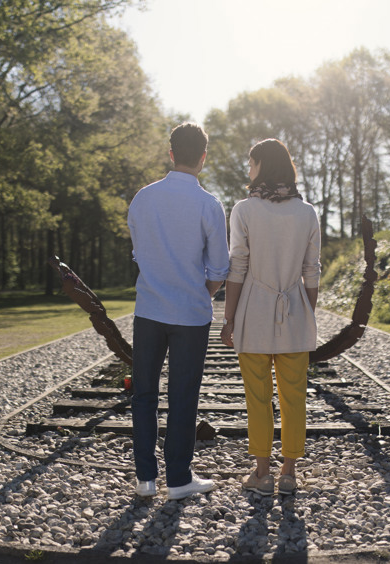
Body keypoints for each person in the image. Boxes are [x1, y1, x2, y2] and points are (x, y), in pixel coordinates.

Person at [127, 122, 230, 500]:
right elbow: (220, 268)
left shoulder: (143, 198)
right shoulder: (209, 204)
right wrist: (197, 293)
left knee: (144, 394)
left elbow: (139, 252)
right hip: (190, 315)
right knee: (183, 396)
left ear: (170, 153)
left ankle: (145, 479)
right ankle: (179, 480)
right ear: (203, 157)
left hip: (149, 309)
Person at [220, 138, 321, 496]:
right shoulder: (307, 212)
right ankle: (289, 472)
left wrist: (229, 319)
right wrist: (308, 312)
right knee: (295, 397)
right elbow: (312, 271)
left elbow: (237, 270)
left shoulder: (244, 210)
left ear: (262, 164)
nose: (249, 171)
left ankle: (261, 473)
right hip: (295, 311)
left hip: (253, 313)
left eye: (251, 164)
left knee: (257, 397)